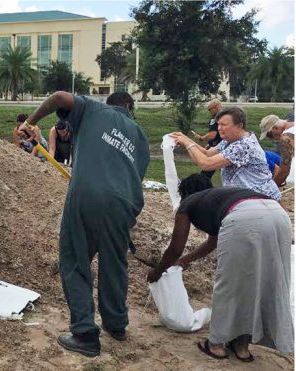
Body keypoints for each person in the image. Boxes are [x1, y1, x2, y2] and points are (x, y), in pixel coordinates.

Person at [18, 92, 150, 357]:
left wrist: (30, 122)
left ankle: (85, 334)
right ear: (129, 107)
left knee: (75, 260)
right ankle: (116, 325)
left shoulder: (93, 110)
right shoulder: (140, 137)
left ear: (109, 103)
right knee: (114, 264)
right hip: (125, 204)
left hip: (88, 195)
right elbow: (135, 176)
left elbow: (58, 97)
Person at [147, 174, 293, 361]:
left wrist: (157, 272)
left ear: (185, 193)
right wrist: (184, 261)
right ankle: (241, 347)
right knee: (262, 282)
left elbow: (175, 249)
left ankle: (216, 345)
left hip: (243, 218)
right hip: (279, 216)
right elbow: (212, 242)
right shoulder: (221, 197)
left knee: (229, 285)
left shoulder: (188, 203)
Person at [171, 107, 280, 201]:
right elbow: (208, 153)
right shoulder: (230, 140)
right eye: (218, 124)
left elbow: (207, 164)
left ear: (239, 126)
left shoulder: (243, 145)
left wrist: (186, 143)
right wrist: (184, 138)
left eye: (224, 125)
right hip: (247, 198)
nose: (219, 128)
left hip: (261, 201)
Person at [259, 114, 294, 187]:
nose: (273, 138)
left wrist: (273, 186)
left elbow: (285, 169)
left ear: (275, 128)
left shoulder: (286, 138)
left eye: (270, 134)